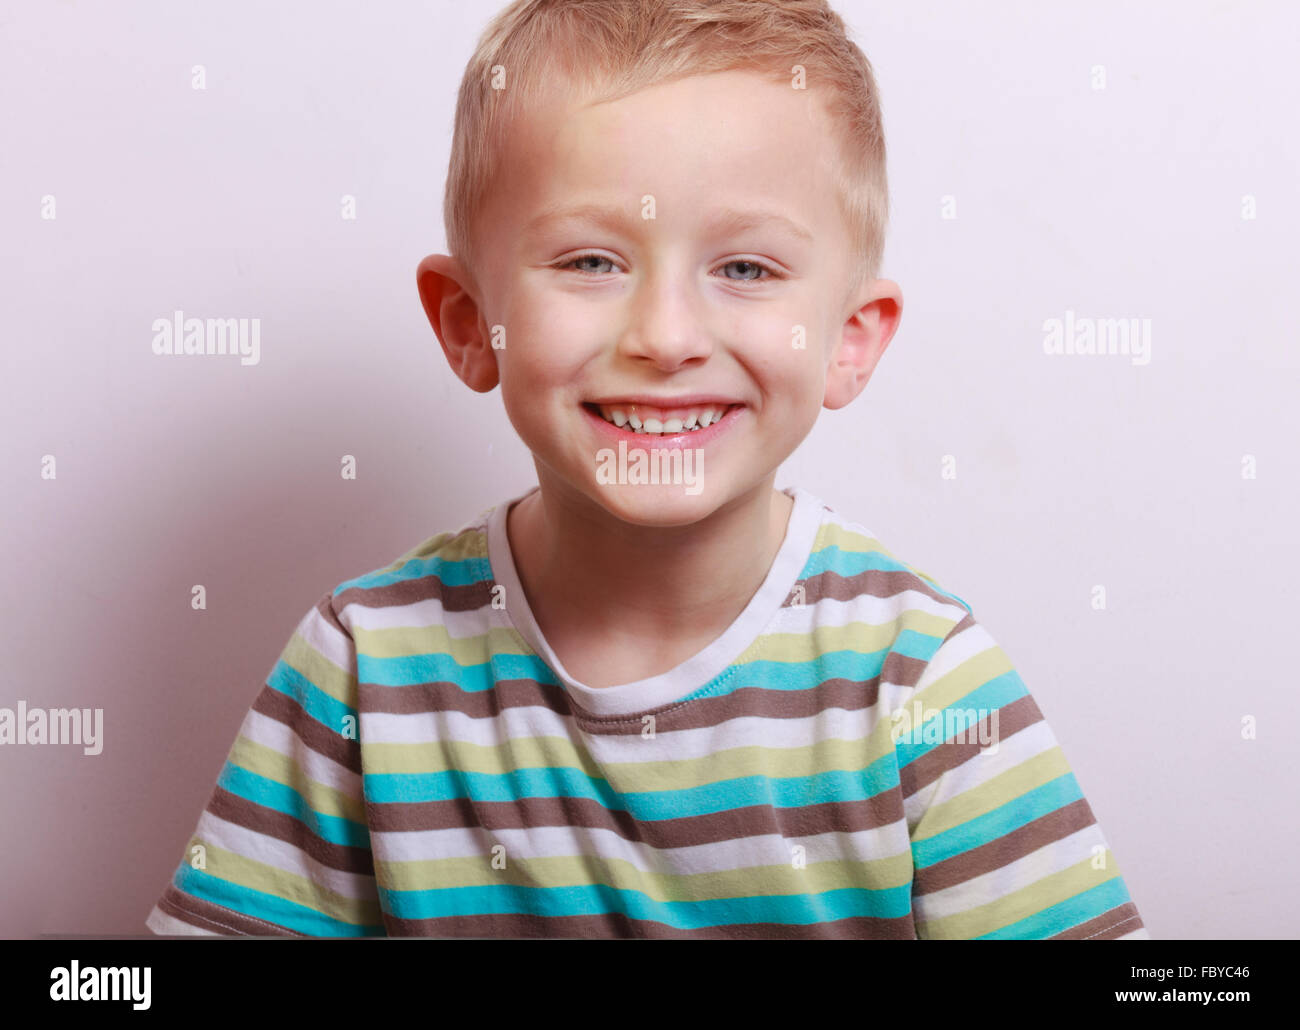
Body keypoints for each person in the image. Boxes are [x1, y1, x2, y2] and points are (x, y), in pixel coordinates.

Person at [146, 0, 1147, 939]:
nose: (665, 337)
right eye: (590, 261)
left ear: (848, 337)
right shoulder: (364, 668)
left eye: (744, 269)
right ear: (467, 324)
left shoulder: (920, 682)